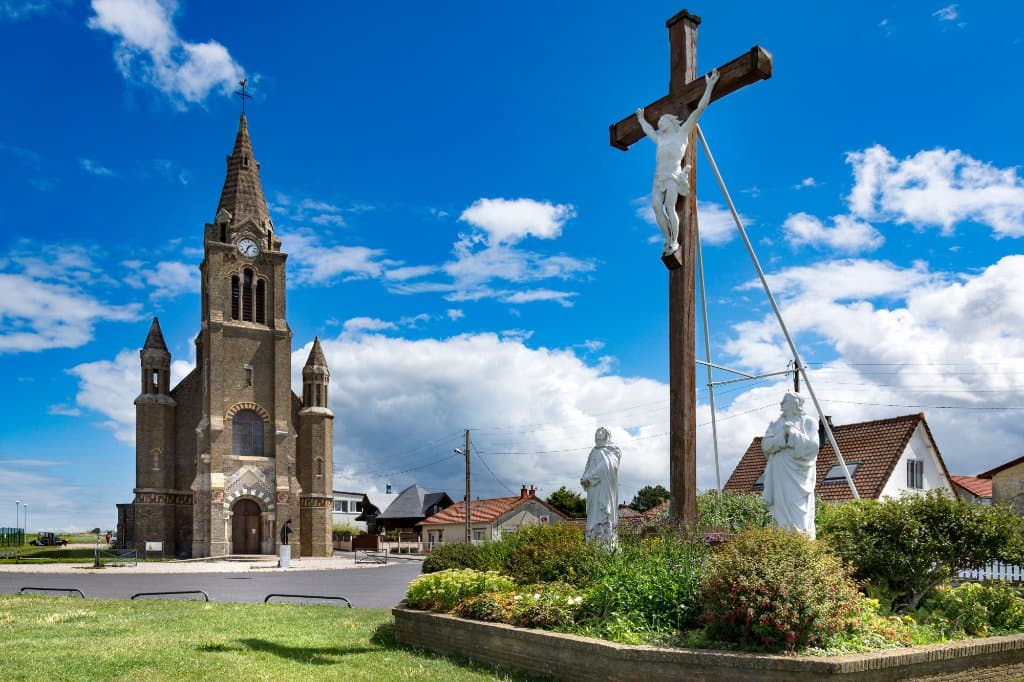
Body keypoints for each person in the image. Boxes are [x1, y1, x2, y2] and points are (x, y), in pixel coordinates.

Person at [636, 69, 720, 255]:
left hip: (673, 176)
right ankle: (668, 238)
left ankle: (674, 241)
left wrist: (710, 86)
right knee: (656, 208)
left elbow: (698, 110)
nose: (659, 124)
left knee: (669, 207)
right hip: (658, 177)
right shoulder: (660, 140)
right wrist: (641, 119)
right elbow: (648, 131)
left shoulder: (681, 134)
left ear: (670, 122)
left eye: (662, 122)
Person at [761, 391, 820, 538]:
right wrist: (783, 437)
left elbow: (813, 447)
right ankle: (783, 538)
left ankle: (801, 538)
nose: (781, 403)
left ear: (795, 404)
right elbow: (766, 445)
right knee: (781, 503)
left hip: (800, 474)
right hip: (780, 470)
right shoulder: (775, 424)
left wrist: (793, 434)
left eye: (785, 401)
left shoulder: (809, 422)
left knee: (797, 503)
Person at [580, 427, 622, 546]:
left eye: (602, 435)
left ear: (607, 436)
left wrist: (590, 478)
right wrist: (584, 478)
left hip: (604, 490)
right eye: (597, 436)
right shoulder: (593, 451)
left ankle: (606, 543)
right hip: (593, 490)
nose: (599, 437)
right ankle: (592, 542)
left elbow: (607, 467)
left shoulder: (613, 451)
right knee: (593, 516)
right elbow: (588, 467)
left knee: (603, 516)